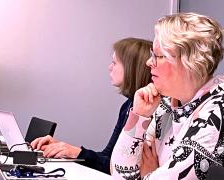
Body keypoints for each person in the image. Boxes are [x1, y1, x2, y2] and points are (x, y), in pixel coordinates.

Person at [110, 13, 224, 179]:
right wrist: (139, 115)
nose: (149, 62)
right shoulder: (168, 104)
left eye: (158, 56)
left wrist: (148, 173)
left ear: (189, 63)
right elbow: (118, 173)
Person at [31, 37, 152, 174]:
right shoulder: (127, 106)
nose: (109, 67)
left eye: (114, 62)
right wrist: (64, 149)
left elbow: (119, 168)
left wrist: (77, 152)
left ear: (132, 68)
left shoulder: (150, 112)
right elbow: (109, 157)